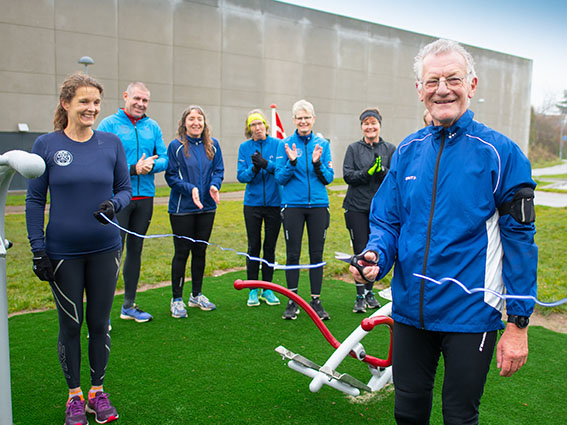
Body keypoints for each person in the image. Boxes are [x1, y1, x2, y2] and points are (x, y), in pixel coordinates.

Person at [350, 39, 537, 425]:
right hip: (409, 312)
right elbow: (387, 221)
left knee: (459, 416)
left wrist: (518, 324)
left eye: (453, 78)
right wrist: (376, 256)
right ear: (419, 90)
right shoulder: (406, 150)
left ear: (472, 84)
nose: (442, 88)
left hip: (471, 314)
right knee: (408, 410)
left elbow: (521, 242)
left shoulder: (501, 153)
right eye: (432, 81)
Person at [26, 72, 131, 425]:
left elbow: (125, 190)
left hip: (106, 248)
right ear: (66, 103)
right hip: (62, 253)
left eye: (96, 102)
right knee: (71, 325)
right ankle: (74, 398)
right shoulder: (46, 145)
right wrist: (38, 249)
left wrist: (114, 205)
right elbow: (34, 199)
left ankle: (97, 394)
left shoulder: (112, 143)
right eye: (84, 102)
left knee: (99, 323)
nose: (92, 108)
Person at [98, 82, 168, 323]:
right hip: (118, 199)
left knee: (135, 252)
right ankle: (102, 314)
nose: (140, 104)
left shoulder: (153, 126)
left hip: (145, 199)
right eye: (136, 98)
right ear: (125, 96)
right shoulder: (109, 124)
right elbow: (100, 162)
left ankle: (128, 306)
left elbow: (165, 157)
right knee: (112, 254)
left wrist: (151, 165)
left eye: (145, 100)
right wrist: (133, 169)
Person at [275, 99, 334, 320]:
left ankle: (316, 300)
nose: (303, 121)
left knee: (316, 254)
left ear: (313, 119)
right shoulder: (286, 144)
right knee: (293, 254)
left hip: (318, 206)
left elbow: (328, 178)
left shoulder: (322, 144)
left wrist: (317, 163)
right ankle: (293, 301)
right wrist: (291, 162)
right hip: (293, 207)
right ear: (294, 120)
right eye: (299, 118)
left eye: (307, 117)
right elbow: (280, 177)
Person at [165, 105, 224, 318]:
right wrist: (191, 190)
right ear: (185, 122)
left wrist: (214, 185)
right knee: (182, 253)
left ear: (204, 123)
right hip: (182, 209)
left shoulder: (213, 145)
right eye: (191, 119)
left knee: (200, 251)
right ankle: (177, 298)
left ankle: (196, 295)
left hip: (207, 208)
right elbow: (171, 176)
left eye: (199, 118)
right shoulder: (176, 146)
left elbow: (219, 170)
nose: (196, 122)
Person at [342, 107, 396, 313]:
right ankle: (359, 295)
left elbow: (394, 177)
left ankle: (370, 292)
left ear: (379, 125)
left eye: (373, 123)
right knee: (360, 251)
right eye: (366, 123)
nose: (370, 127)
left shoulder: (390, 149)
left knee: (373, 252)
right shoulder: (353, 149)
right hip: (356, 207)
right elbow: (348, 176)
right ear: (362, 126)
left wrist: (382, 171)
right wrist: (367, 172)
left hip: (380, 210)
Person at [237, 109, 282, 307]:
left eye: (259, 124)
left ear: (266, 125)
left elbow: (281, 171)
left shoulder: (278, 145)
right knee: (253, 246)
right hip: (252, 204)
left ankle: (268, 288)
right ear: (249, 129)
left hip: (274, 203)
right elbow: (241, 177)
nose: (257, 128)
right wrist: (254, 168)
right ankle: (253, 289)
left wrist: (266, 164)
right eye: (252, 125)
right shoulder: (244, 148)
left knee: (270, 247)